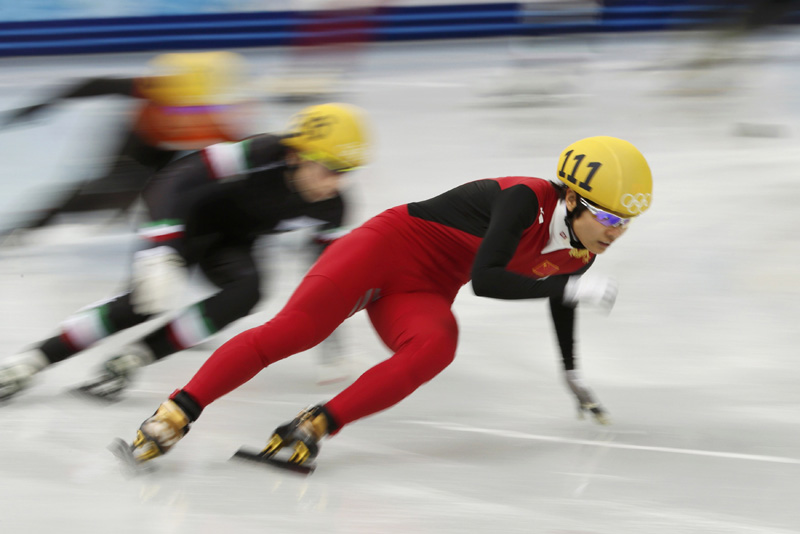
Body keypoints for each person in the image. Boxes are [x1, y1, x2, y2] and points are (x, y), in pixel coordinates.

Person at [123, 135, 652, 467]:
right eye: (608, 218)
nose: (615, 233)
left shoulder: (581, 251)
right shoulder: (524, 199)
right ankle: (175, 412)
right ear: (572, 197)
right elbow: (489, 280)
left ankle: (312, 427)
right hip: (382, 250)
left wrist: (571, 371)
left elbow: (560, 296)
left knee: (437, 346)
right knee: (298, 331)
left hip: (423, 291)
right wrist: (571, 286)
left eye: (625, 224)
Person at [0, 102, 370, 402]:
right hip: (183, 222)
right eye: (331, 168)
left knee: (248, 292)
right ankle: (31, 361)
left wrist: (330, 335)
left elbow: (326, 273)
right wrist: (159, 249)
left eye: (347, 170)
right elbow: (173, 180)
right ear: (296, 155)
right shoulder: (262, 151)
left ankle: (137, 356)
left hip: (232, 243)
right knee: (144, 302)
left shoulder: (333, 206)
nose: (337, 182)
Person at [0, 51, 252, 238]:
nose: (182, 111)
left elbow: (251, 162)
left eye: (188, 108)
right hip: (143, 137)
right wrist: (42, 106)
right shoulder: (161, 89)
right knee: (108, 190)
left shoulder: (222, 120)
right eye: (176, 105)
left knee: (178, 186)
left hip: (170, 146)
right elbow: (95, 85)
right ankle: (23, 227)